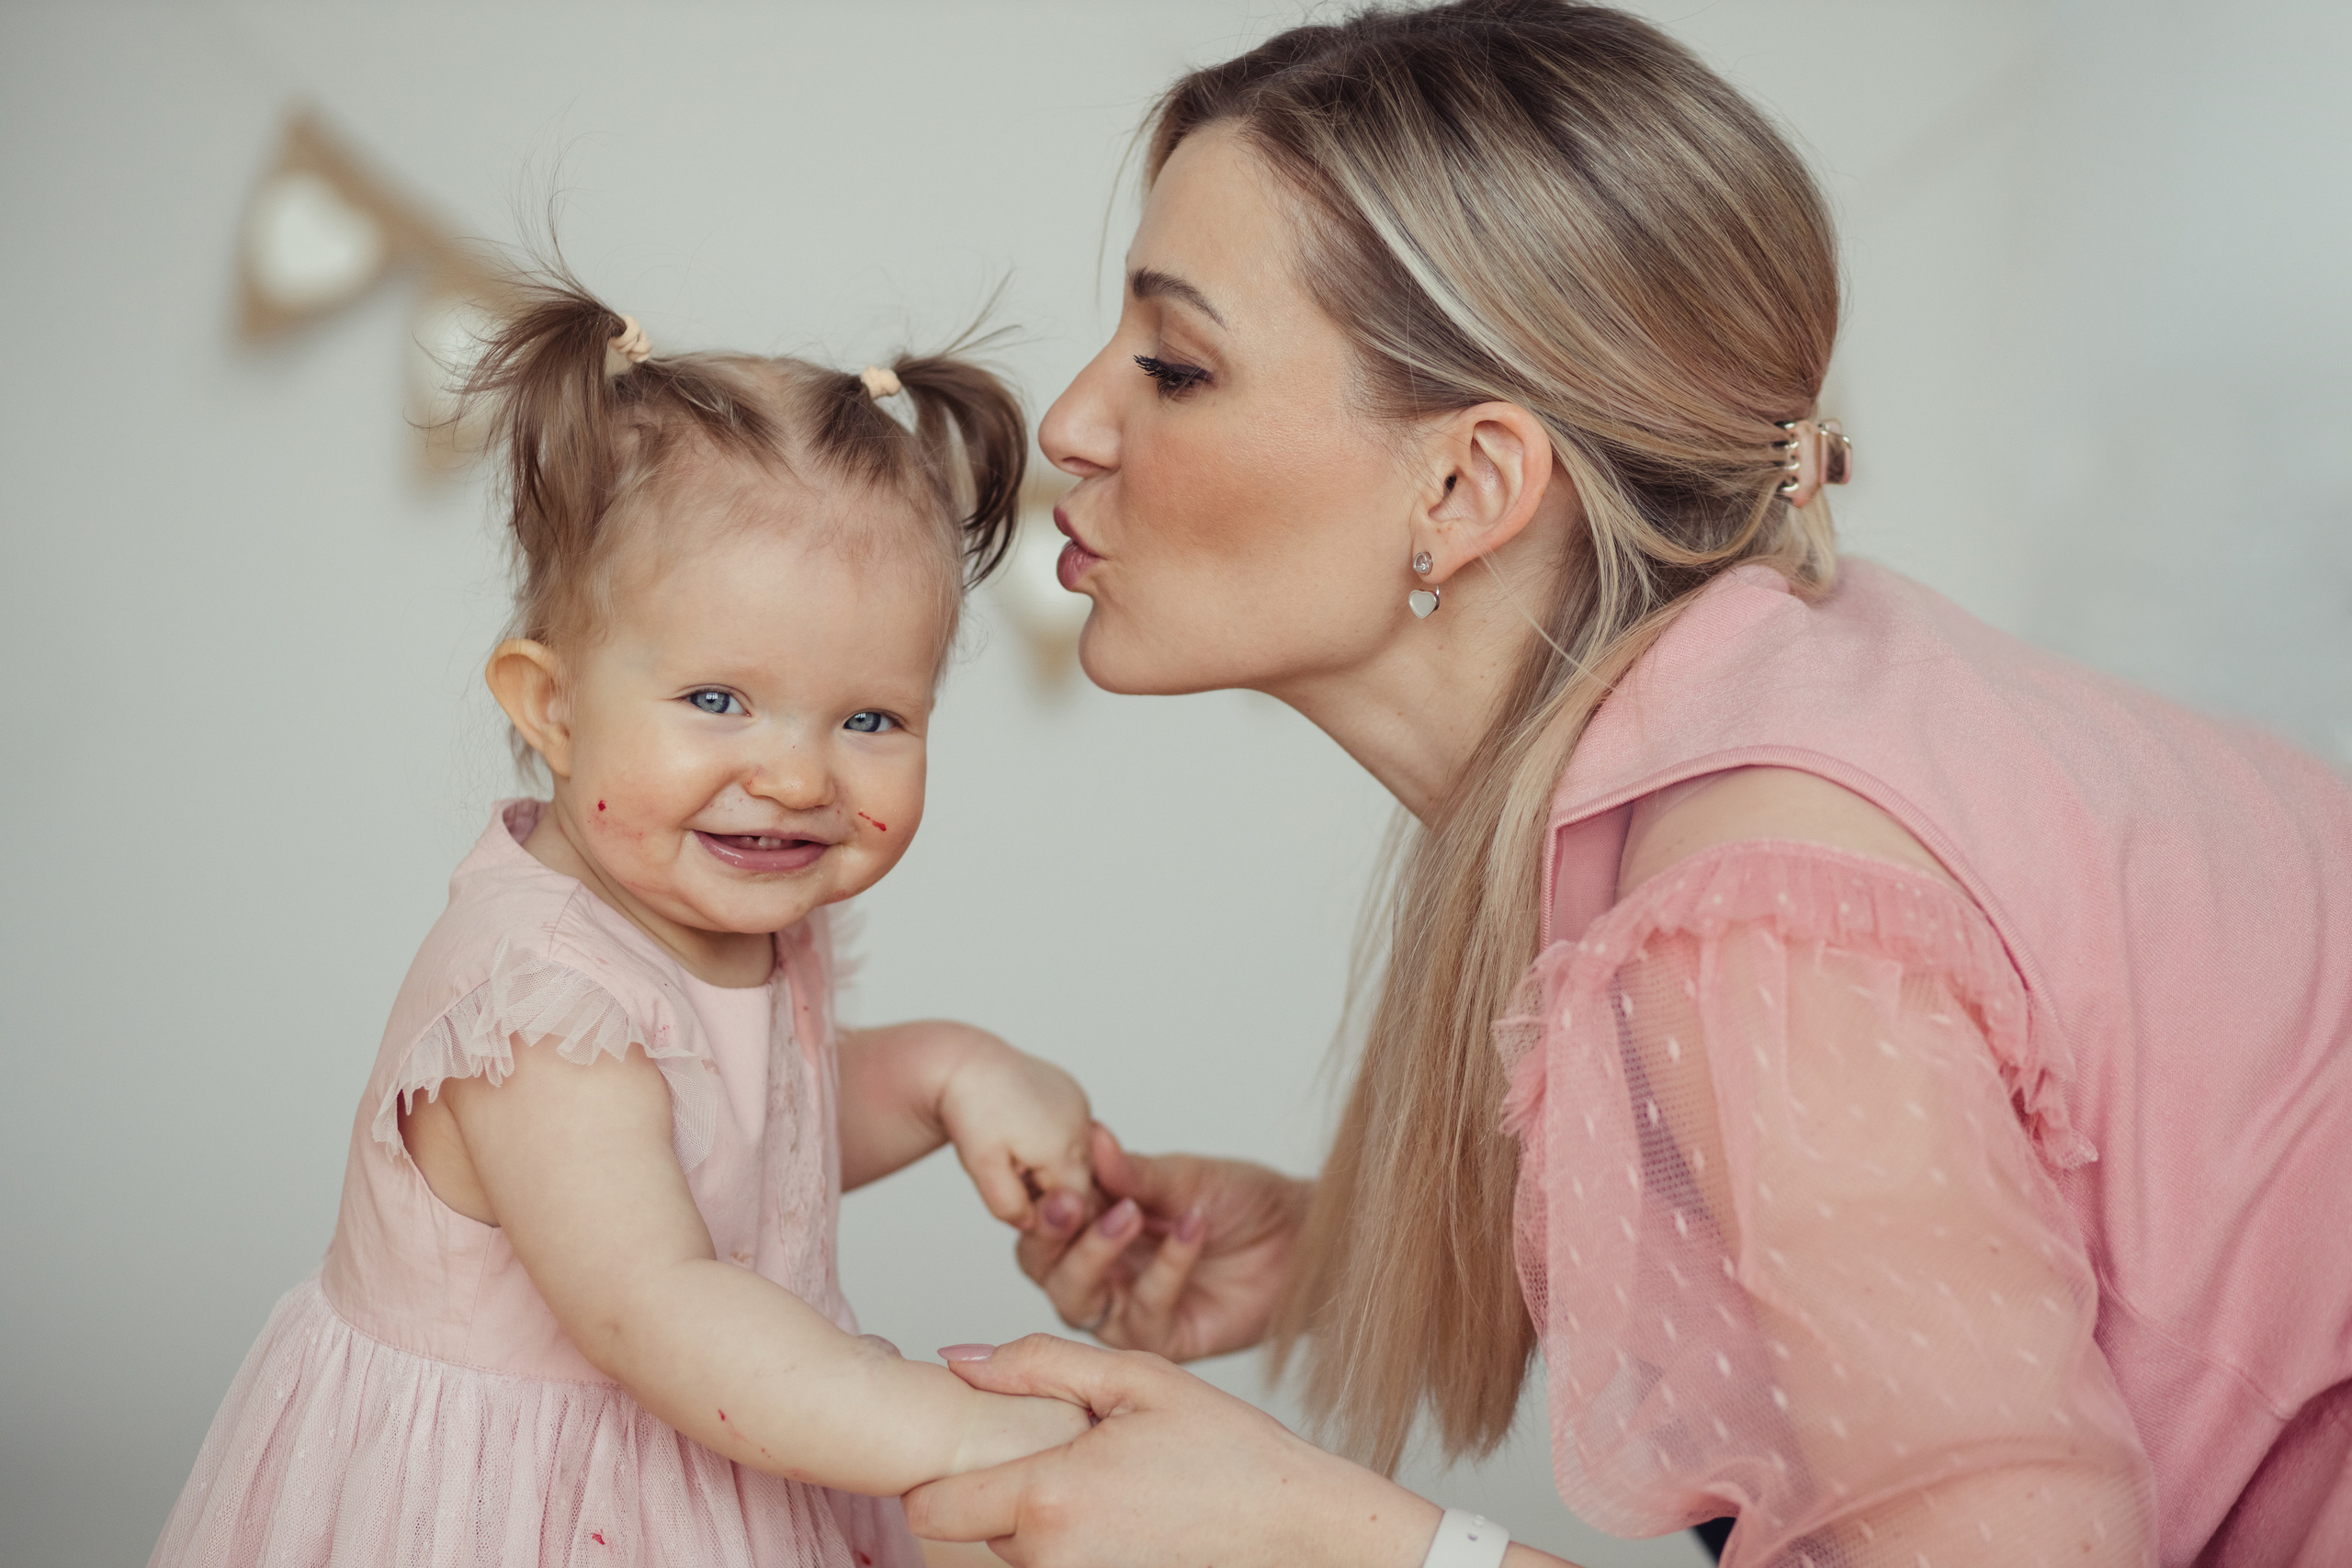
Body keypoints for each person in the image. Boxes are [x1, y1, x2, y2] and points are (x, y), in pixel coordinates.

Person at [900, 4, 2352, 1565]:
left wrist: (1337, 1543)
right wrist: (1336, 1251)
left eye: (1177, 365)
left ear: (1466, 487)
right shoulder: (1782, 705)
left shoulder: (1759, 910)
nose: (1073, 424)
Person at [150, 273, 1098, 1568]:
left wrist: (948, 1075)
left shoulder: (730, 918)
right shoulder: (540, 1008)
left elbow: (749, 1139)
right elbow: (656, 1304)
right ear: (550, 704)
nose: (797, 776)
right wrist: (954, 1429)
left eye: (870, 719)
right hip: (513, 1505)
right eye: (718, 699)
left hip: (703, 1450)